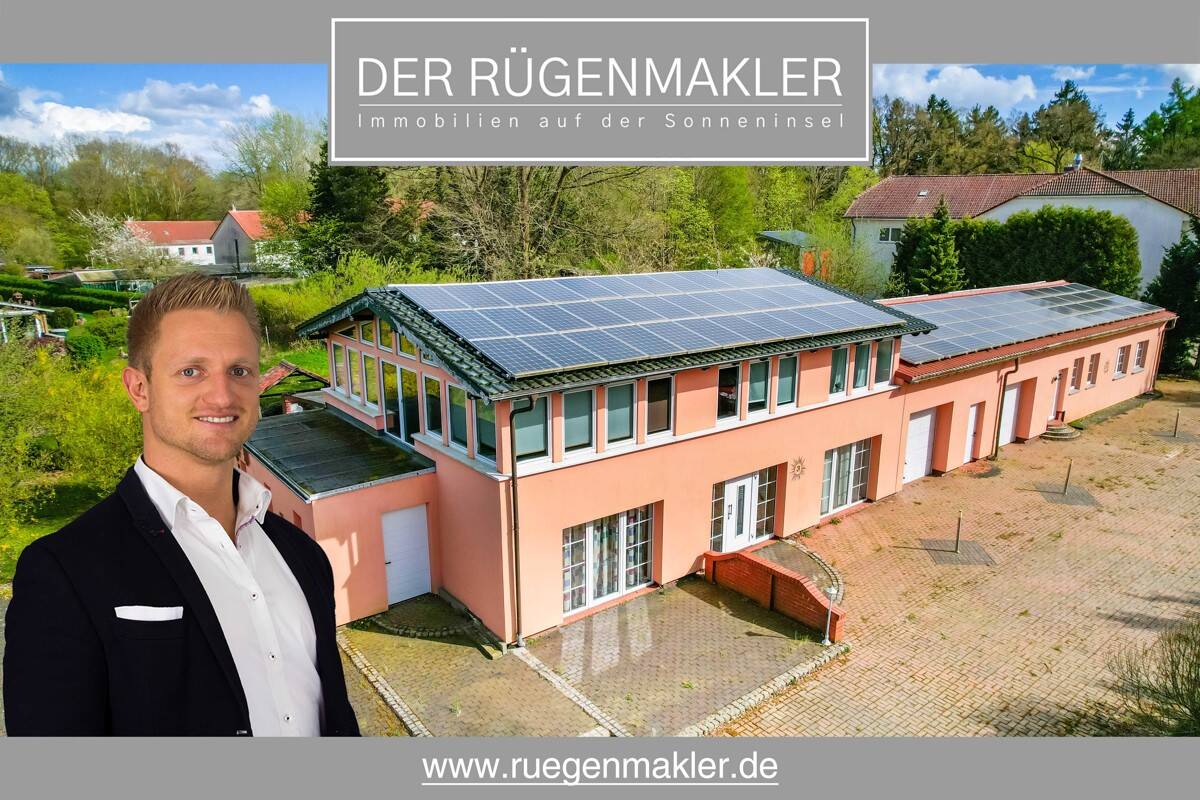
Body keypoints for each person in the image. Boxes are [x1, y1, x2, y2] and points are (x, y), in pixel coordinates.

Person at [3, 273, 359, 736]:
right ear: (139, 388)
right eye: (191, 371)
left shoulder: (303, 555)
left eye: (239, 371)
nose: (222, 396)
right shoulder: (63, 571)